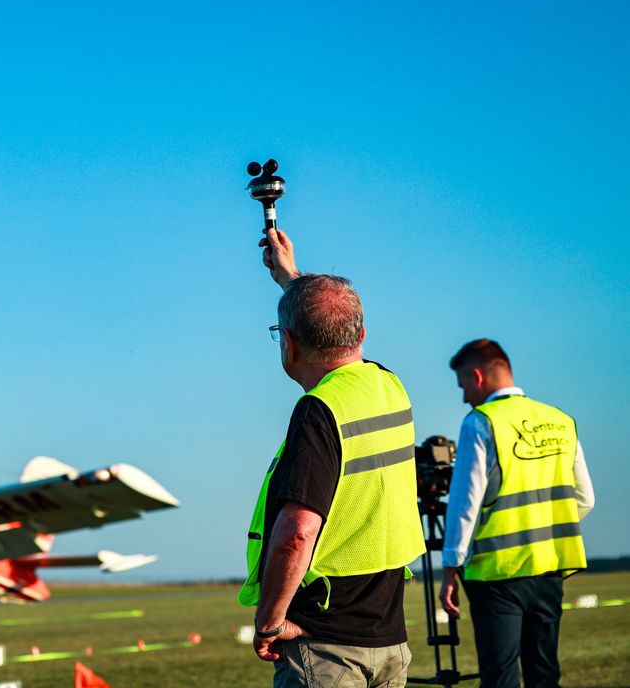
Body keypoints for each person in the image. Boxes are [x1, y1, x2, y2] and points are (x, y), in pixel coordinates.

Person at [239, 228, 426, 687]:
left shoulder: (318, 411)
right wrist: (292, 281)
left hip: (325, 647)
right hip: (388, 638)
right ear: (360, 334)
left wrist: (270, 620)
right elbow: (333, 326)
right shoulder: (388, 386)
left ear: (289, 344)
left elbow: (297, 533)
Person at [439, 339, 595, 688]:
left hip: (497, 575)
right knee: (544, 672)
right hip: (551, 568)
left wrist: (451, 566)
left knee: (500, 676)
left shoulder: (480, 422)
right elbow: (585, 499)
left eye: (463, 385)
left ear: (477, 377)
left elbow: (466, 504)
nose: (464, 396)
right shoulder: (561, 421)